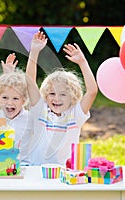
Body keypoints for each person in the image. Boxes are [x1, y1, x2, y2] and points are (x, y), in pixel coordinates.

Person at [26, 31, 98, 166]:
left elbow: (92, 91)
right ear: (45, 95)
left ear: (73, 96)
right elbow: (30, 81)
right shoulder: (40, 109)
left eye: (63, 94)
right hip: (35, 170)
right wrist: (34, 51)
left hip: (65, 174)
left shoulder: (75, 114)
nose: (56, 99)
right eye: (52, 94)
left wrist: (82, 62)